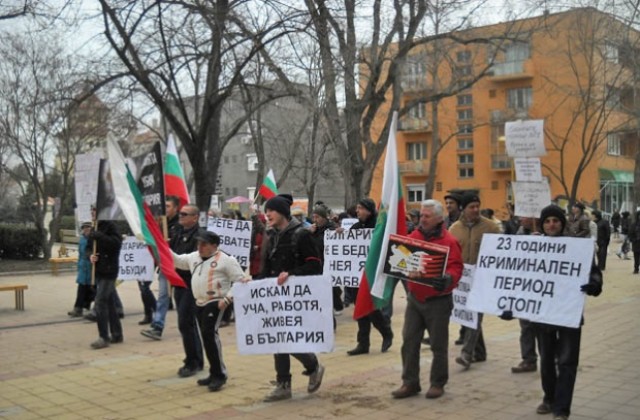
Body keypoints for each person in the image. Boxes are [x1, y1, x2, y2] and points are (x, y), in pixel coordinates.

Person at [531, 205, 603, 420]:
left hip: (569, 314)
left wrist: (594, 285)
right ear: (543, 225)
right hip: (543, 315)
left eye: (555, 220)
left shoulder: (577, 249)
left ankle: (562, 408)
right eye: (547, 221)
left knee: (567, 361)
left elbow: (594, 273)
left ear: (562, 223)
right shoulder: (532, 249)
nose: (551, 224)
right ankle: (549, 398)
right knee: (546, 361)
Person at [391, 200, 463, 400]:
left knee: (438, 345)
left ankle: (438, 383)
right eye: (421, 215)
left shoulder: (449, 241)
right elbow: (401, 259)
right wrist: (397, 261)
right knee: (409, 341)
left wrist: (448, 278)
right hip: (415, 299)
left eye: (427, 216)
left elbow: (456, 268)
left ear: (439, 218)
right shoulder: (413, 237)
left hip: (438, 301)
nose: (422, 219)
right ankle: (410, 382)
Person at [258, 194, 325, 402]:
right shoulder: (271, 236)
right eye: (266, 211)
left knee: (286, 339)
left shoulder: (301, 235)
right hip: (275, 297)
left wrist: (292, 275)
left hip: (296, 298)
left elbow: (315, 265)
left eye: (271, 210)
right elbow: (266, 268)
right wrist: (254, 284)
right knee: (278, 340)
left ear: (283, 213)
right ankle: (284, 384)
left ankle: (312, 365)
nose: (267, 214)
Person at [172, 231, 246, 392]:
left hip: (216, 302)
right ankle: (214, 372)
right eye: (199, 243)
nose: (200, 247)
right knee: (206, 337)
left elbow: (240, 281)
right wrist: (161, 247)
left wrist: (227, 299)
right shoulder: (194, 257)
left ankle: (220, 374)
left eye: (204, 244)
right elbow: (177, 261)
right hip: (199, 301)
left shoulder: (226, 260)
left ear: (214, 245)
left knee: (209, 335)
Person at [449, 193, 501, 369]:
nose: (476, 209)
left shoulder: (491, 227)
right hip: (462, 281)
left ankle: (467, 353)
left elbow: (502, 252)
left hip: (483, 279)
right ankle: (480, 352)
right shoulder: (454, 229)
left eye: (478, 206)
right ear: (463, 208)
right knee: (468, 316)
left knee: (474, 314)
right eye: (472, 206)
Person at [346, 198, 394, 356]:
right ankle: (363, 343)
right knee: (360, 309)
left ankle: (386, 332)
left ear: (369, 210)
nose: (357, 211)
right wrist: (341, 234)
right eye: (357, 208)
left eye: (360, 208)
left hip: (371, 275)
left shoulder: (378, 226)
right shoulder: (355, 227)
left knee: (371, 308)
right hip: (355, 276)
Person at [141, 196, 181, 340]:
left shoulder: (181, 224)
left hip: (181, 268)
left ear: (176, 208)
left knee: (183, 298)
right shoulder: (161, 224)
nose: (166, 209)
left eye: (169, 206)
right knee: (163, 296)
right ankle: (157, 326)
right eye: (165, 206)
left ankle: (190, 324)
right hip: (166, 267)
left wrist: (171, 242)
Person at [88, 209, 124, 349]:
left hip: (109, 270)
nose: (92, 214)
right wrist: (91, 255)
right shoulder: (94, 227)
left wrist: (100, 236)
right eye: (91, 211)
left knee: (100, 302)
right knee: (109, 303)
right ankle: (117, 333)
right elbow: (89, 247)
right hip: (99, 270)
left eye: (95, 211)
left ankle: (104, 337)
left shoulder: (110, 225)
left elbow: (116, 244)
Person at [510, 216, 538, 374]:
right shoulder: (520, 233)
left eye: (524, 215)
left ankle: (553, 357)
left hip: (543, 289)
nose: (521, 219)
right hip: (525, 287)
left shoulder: (549, 231)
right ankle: (528, 359)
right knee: (526, 325)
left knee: (545, 328)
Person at [309, 203, 343, 315]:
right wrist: (310, 234)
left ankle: (338, 306)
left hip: (329, 262)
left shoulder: (331, 229)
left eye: (317, 217)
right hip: (318, 262)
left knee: (331, 286)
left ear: (324, 218)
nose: (315, 220)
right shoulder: (313, 230)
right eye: (313, 217)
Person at [68, 222, 94, 317]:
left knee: (92, 290)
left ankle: (91, 308)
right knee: (81, 289)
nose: (86, 229)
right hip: (83, 267)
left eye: (88, 227)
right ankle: (78, 308)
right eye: (84, 228)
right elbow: (80, 253)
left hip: (92, 268)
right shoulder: (82, 240)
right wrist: (79, 264)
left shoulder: (94, 240)